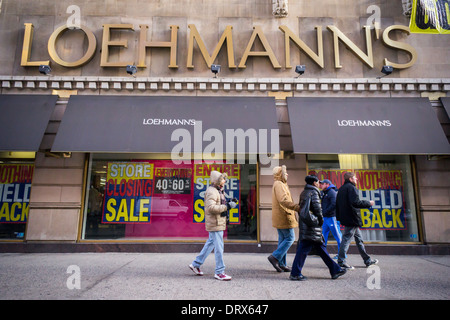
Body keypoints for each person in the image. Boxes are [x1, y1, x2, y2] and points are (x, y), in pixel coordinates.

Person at [290, 175, 347, 281]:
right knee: (304, 249)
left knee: (320, 248)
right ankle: (295, 273)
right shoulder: (313, 192)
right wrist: (320, 221)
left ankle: (335, 270)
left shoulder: (304, 192)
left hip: (308, 226)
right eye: (317, 182)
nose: (318, 183)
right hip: (311, 227)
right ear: (313, 183)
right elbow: (317, 209)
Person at [189, 170, 237, 281]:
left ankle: (195, 264)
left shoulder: (217, 190)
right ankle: (219, 272)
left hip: (217, 222)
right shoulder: (212, 191)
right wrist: (227, 206)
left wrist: (229, 202)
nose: (224, 181)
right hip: (215, 223)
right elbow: (211, 208)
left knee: (210, 244)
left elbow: (218, 204)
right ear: (217, 181)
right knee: (219, 247)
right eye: (222, 179)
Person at [336, 172, 378, 269]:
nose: (356, 179)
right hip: (352, 218)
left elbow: (337, 204)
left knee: (359, 240)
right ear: (350, 179)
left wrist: (339, 217)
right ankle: (341, 261)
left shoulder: (341, 189)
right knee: (346, 240)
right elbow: (356, 202)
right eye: (355, 178)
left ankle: (367, 260)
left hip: (348, 218)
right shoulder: (351, 188)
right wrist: (369, 203)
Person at [268, 165, 300, 273]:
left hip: (281, 216)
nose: (287, 174)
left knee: (282, 239)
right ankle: (275, 257)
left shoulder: (279, 184)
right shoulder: (279, 184)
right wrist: (296, 207)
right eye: (285, 172)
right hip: (284, 216)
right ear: (281, 174)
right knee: (290, 238)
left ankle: (282, 264)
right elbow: (283, 200)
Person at [319, 179, 342, 257]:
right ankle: (322, 252)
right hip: (326, 218)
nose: (321, 185)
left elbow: (333, 204)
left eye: (322, 184)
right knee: (323, 235)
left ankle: (341, 254)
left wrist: (325, 212)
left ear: (327, 185)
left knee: (338, 236)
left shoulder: (331, 192)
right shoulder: (325, 193)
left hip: (332, 217)